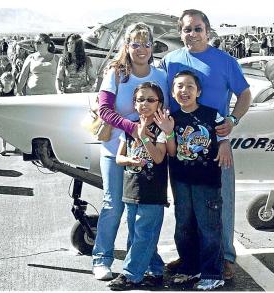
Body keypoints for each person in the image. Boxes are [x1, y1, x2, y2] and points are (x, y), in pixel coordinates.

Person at [160, 9, 252, 280]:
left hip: (216, 143)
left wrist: (233, 119)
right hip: (181, 147)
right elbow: (158, 94)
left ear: (207, 32)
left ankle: (224, 257)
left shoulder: (225, 62)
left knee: (219, 203)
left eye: (198, 29)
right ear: (180, 33)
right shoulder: (169, 61)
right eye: (187, 29)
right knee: (185, 206)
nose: (193, 34)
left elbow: (244, 93)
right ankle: (190, 257)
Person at [92, 22, 168, 281]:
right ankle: (102, 258)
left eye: (147, 44)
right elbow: (104, 110)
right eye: (136, 44)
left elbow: (167, 111)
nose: (142, 49)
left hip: (149, 153)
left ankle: (148, 262)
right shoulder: (116, 72)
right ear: (127, 46)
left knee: (143, 213)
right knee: (113, 205)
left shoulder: (161, 76)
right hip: (116, 150)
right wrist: (133, 128)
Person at [156, 70, 232, 290]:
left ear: (198, 91)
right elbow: (171, 152)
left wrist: (225, 143)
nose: (184, 90)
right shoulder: (170, 118)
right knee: (184, 227)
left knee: (209, 228)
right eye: (179, 86)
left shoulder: (213, 115)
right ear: (172, 91)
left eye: (189, 86)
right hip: (181, 181)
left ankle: (212, 273)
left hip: (207, 182)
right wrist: (169, 132)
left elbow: (224, 137)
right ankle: (190, 267)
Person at [107, 82, 169, 290]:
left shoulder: (161, 128)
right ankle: (155, 269)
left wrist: (144, 138)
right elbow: (119, 157)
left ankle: (131, 275)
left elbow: (159, 158)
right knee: (136, 234)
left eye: (151, 100)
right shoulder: (130, 126)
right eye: (140, 99)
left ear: (159, 103)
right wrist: (130, 161)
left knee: (144, 233)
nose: (145, 104)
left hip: (152, 191)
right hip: (131, 188)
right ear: (134, 103)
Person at [0, 72, 16, 155]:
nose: (7, 81)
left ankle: (16, 146)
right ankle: (3, 147)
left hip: (12, 113)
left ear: (12, 81)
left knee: (14, 130)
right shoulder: (1, 91)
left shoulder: (13, 90)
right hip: (4, 113)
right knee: (3, 131)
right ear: (2, 81)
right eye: (5, 79)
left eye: (9, 79)